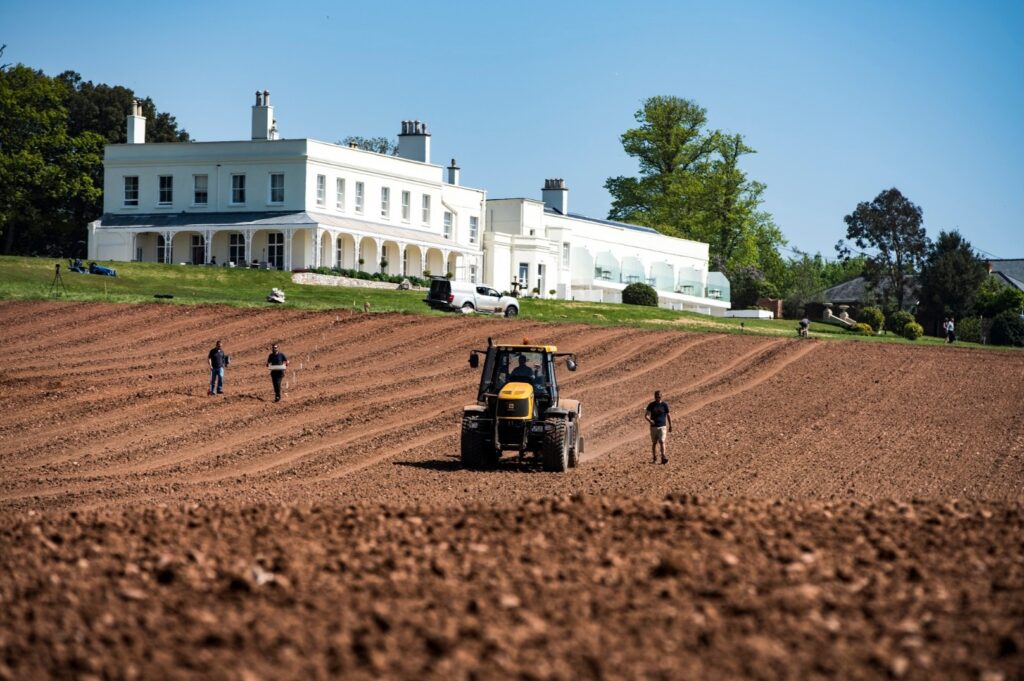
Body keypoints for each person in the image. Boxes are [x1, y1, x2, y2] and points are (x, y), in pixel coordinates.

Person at [644, 390, 672, 464]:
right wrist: (650, 421)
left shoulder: (664, 405)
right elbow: (646, 415)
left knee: (662, 441)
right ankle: (655, 458)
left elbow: (668, 415)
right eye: (656, 396)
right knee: (654, 443)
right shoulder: (651, 405)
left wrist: (670, 425)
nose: (657, 398)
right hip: (653, 427)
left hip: (662, 426)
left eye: (659, 396)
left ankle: (663, 457)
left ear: (661, 396)